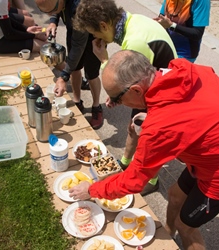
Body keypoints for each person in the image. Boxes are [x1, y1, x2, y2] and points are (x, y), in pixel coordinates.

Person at [69, 50, 219, 249]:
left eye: (117, 99)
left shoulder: (160, 127)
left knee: (187, 227)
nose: (117, 104)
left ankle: (179, 231)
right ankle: (168, 231)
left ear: (137, 90)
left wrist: (92, 189)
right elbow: (192, 114)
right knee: (175, 195)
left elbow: (134, 181)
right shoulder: (189, 70)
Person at [73, 0, 177, 195]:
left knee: (150, 139)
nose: (94, 37)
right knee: (133, 127)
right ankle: (125, 163)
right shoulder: (133, 21)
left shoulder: (135, 42)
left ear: (103, 25)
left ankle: (151, 180)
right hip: (151, 84)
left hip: (163, 94)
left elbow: (124, 85)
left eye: (94, 33)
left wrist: (103, 59)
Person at [35, 0, 103, 129]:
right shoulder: (59, 3)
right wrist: (53, 21)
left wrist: (63, 77)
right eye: (47, 12)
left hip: (95, 35)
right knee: (75, 68)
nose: (50, 13)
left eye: (52, 11)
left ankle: (96, 107)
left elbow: (78, 47)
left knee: (91, 74)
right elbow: (55, 9)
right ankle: (77, 101)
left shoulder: (79, 8)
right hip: (75, 31)